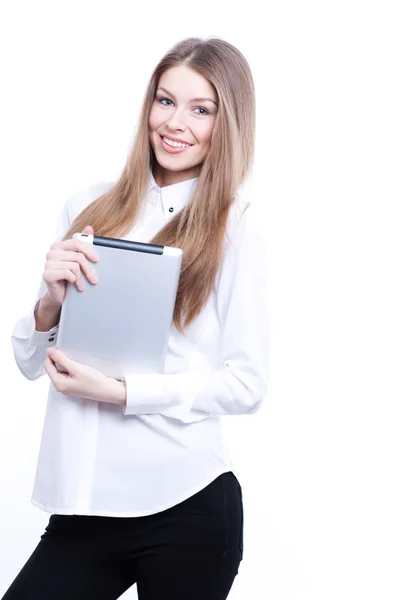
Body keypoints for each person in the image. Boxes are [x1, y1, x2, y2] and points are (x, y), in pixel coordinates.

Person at [4, 36, 269, 600]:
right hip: (81, 511)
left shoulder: (236, 226)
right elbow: (29, 363)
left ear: (229, 125)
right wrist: (48, 303)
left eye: (202, 109)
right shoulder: (88, 206)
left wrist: (123, 392)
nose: (176, 123)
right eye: (165, 100)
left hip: (186, 506)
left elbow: (247, 384)